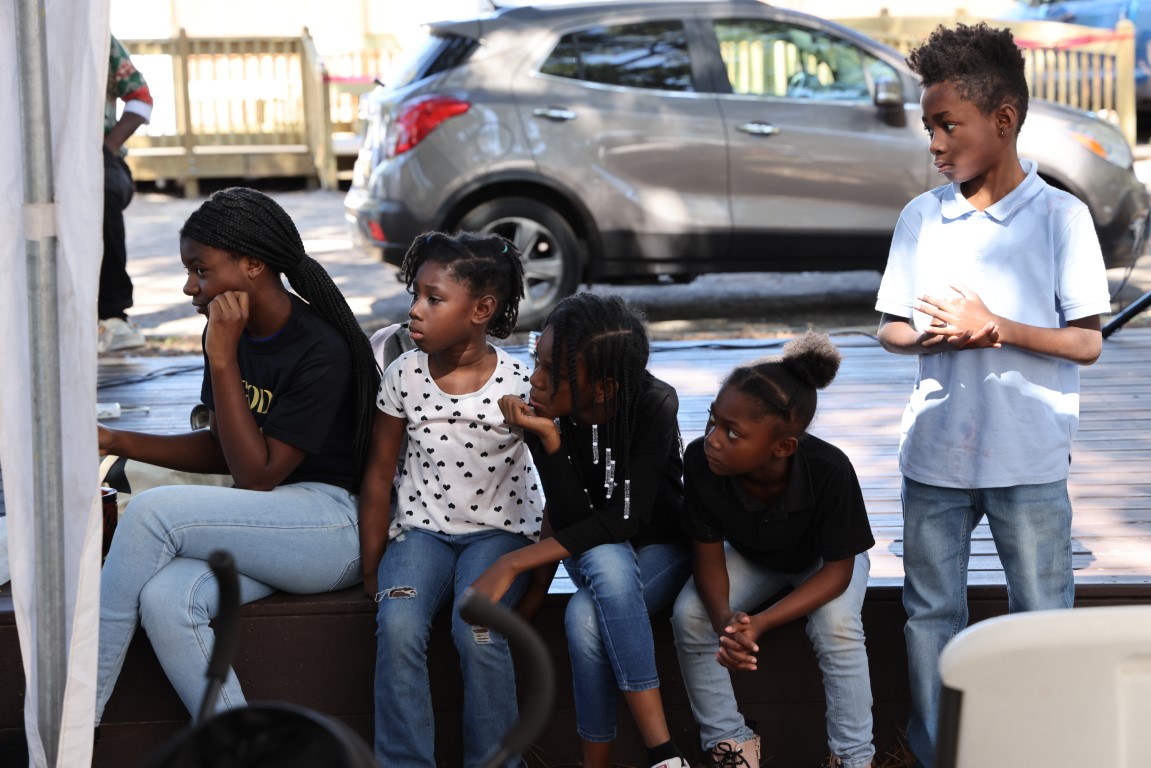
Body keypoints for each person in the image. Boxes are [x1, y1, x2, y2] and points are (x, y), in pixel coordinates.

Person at [873, 23, 1110, 767]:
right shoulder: (921, 217)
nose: (935, 145)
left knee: (1041, 614)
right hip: (935, 456)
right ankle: (942, 749)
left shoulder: (1059, 218)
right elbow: (889, 329)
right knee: (928, 616)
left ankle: (1043, 749)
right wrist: (931, 338)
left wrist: (995, 328)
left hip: (1028, 457)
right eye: (928, 129)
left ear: (1002, 120)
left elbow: (1086, 340)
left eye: (947, 125)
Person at [94, 187, 379, 723]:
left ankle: (78, 717)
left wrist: (222, 360)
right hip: (272, 525)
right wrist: (116, 440)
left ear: (252, 264)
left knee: (154, 516)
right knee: (167, 598)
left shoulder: (318, 348)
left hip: (331, 528)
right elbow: (224, 448)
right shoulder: (230, 333)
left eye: (200, 270)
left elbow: (256, 475)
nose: (189, 287)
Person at [470, 293, 692, 768]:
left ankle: (613, 762)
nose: (535, 379)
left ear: (605, 388)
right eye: (537, 362)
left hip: (662, 545)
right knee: (610, 564)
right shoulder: (545, 415)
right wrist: (548, 439)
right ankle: (665, 755)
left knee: (582, 618)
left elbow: (624, 519)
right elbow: (569, 516)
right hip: (589, 547)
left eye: (552, 370)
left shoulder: (655, 403)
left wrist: (512, 563)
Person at [358, 231, 542, 768]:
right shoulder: (403, 375)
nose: (414, 310)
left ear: (481, 310)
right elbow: (378, 475)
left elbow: (557, 473)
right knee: (397, 625)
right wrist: (374, 567)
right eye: (415, 294)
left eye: (433, 299)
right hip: (421, 535)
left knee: (478, 631)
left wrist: (539, 573)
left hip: (500, 536)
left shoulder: (520, 381)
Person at [671, 332, 876, 768]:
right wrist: (727, 622)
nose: (713, 438)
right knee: (690, 615)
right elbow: (707, 555)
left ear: (782, 447)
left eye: (733, 432)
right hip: (756, 555)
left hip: (825, 562)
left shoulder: (829, 469)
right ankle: (730, 744)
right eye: (712, 420)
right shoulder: (702, 462)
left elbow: (839, 572)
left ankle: (853, 758)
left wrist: (760, 624)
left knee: (837, 625)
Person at [99, 35, 153, 353]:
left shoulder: (100, 40)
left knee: (102, 194)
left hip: (100, 155)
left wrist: (108, 146)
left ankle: (113, 315)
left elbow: (140, 98)